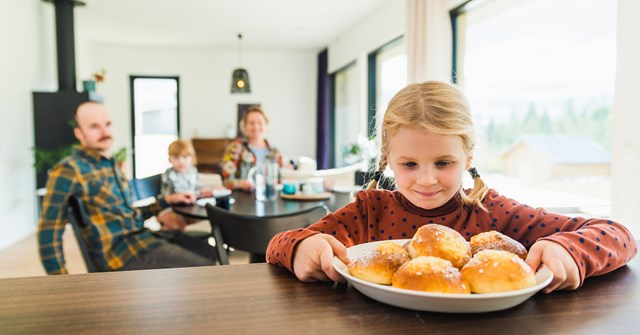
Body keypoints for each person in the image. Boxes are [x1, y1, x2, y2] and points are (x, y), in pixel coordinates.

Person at [266, 81, 637, 293]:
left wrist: (569, 250)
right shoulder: (368, 210)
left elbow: (620, 235)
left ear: (469, 156)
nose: (427, 179)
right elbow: (276, 245)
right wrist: (301, 248)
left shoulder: (494, 213)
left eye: (444, 163)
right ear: (387, 160)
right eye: (409, 165)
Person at [38, 102, 216, 275]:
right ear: (79, 133)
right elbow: (49, 231)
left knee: (211, 253)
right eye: (94, 127)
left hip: (142, 238)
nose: (105, 132)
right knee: (205, 269)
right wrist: (60, 283)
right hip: (120, 256)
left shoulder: (110, 165)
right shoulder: (69, 171)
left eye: (108, 124)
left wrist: (167, 201)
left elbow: (128, 216)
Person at [221, 105, 283, 191]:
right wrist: (241, 184)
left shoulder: (275, 153)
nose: (256, 127)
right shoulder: (235, 148)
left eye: (260, 122)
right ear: (245, 127)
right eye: (251, 123)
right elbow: (226, 181)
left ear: (266, 125)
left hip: (269, 199)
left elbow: (280, 181)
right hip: (242, 200)